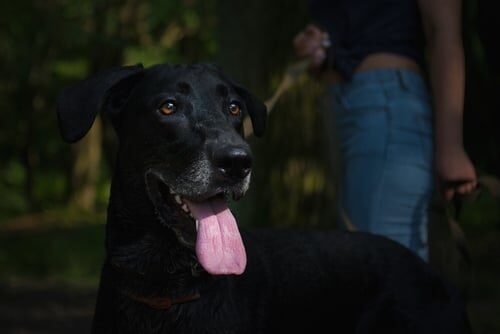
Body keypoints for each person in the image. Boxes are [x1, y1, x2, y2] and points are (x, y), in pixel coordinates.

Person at [293, 0, 477, 261]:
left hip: (388, 106)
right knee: (362, 271)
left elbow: (443, 30)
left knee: (388, 276)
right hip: (344, 106)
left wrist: (451, 146)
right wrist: (319, 44)